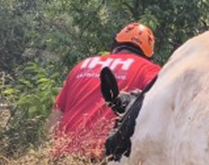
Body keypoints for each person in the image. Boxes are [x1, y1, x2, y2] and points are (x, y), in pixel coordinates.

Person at [47, 22, 161, 157]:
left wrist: (51, 153)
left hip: (61, 159)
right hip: (104, 160)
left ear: (115, 44)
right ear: (148, 54)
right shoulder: (149, 70)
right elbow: (159, 109)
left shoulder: (82, 65)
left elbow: (56, 116)